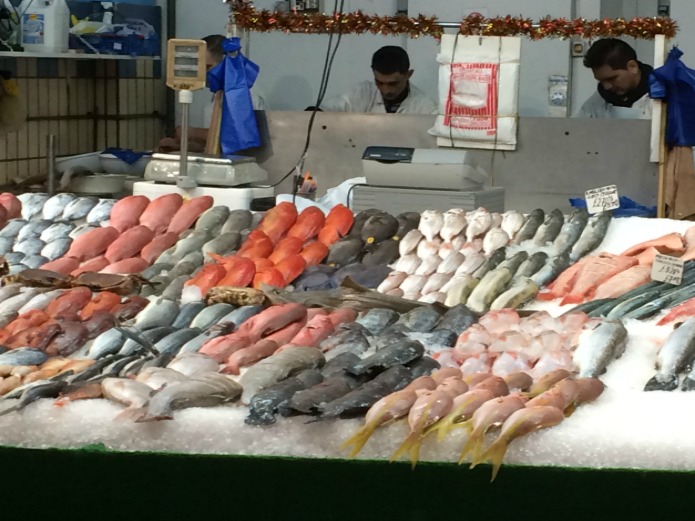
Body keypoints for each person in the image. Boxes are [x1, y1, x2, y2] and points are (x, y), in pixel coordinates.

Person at [159, 34, 265, 153]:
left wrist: (193, 133)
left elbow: (240, 137)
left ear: (225, 64)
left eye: (208, 67)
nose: (203, 74)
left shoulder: (244, 93)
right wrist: (180, 146)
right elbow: (212, 146)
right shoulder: (218, 93)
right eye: (199, 69)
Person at [318, 45, 437, 114]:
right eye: (379, 82)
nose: (386, 90)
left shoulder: (426, 107)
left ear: (408, 74)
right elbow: (333, 107)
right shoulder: (362, 93)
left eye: (393, 84)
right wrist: (315, 112)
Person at [578, 38, 653, 119]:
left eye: (612, 78)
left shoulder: (661, 98)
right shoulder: (593, 105)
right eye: (601, 81)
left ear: (632, 67)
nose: (607, 86)